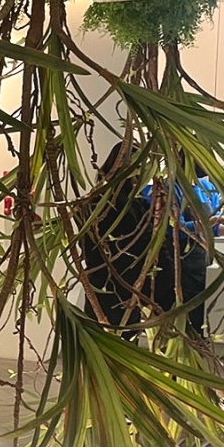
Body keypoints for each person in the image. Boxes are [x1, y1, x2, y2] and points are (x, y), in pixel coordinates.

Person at [142, 164, 224, 335]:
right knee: (188, 307)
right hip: (181, 259)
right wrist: (209, 223)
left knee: (205, 303)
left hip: (203, 257)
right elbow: (175, 228)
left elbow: (211, 229)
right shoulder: (170, 188)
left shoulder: (207, 187)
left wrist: (221, 229)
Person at [82, 143, 154, 336]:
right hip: (124, 287)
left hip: (101, 284)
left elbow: (87, 248)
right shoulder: (135, 207)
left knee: (99, 343)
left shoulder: (92, 202)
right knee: (123, 341)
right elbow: (145, 247)